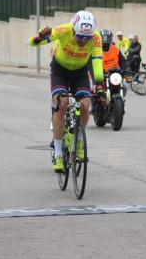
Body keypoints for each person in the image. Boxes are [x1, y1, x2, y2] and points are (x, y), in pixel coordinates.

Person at [28, 10, 103, 172]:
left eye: (87, 37)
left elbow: (97, 62)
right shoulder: (63, 30)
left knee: (85, 104)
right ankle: (59, 153)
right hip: (60, 70)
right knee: (62, 104)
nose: (84, 40)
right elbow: (33, 43)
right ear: (73, 29)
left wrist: (99, 84)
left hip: (80, 72)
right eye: (81, 36)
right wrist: (40, 37)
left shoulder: (96, 37)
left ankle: (78, 140)